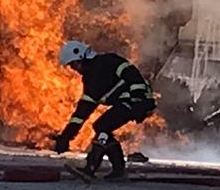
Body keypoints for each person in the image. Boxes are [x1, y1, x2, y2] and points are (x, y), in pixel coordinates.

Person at [52, 41, 155, 180]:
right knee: (102, 127)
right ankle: (118, 170)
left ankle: (90, 167)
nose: (75, 69)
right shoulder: (90, 81)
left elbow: (133, 75)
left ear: (82, 56)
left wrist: (138, 100)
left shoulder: (108, 61)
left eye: (74, 64)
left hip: (138, 100)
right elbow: (81, 114)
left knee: (102, 126)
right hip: (126, 101)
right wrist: (66, 136)